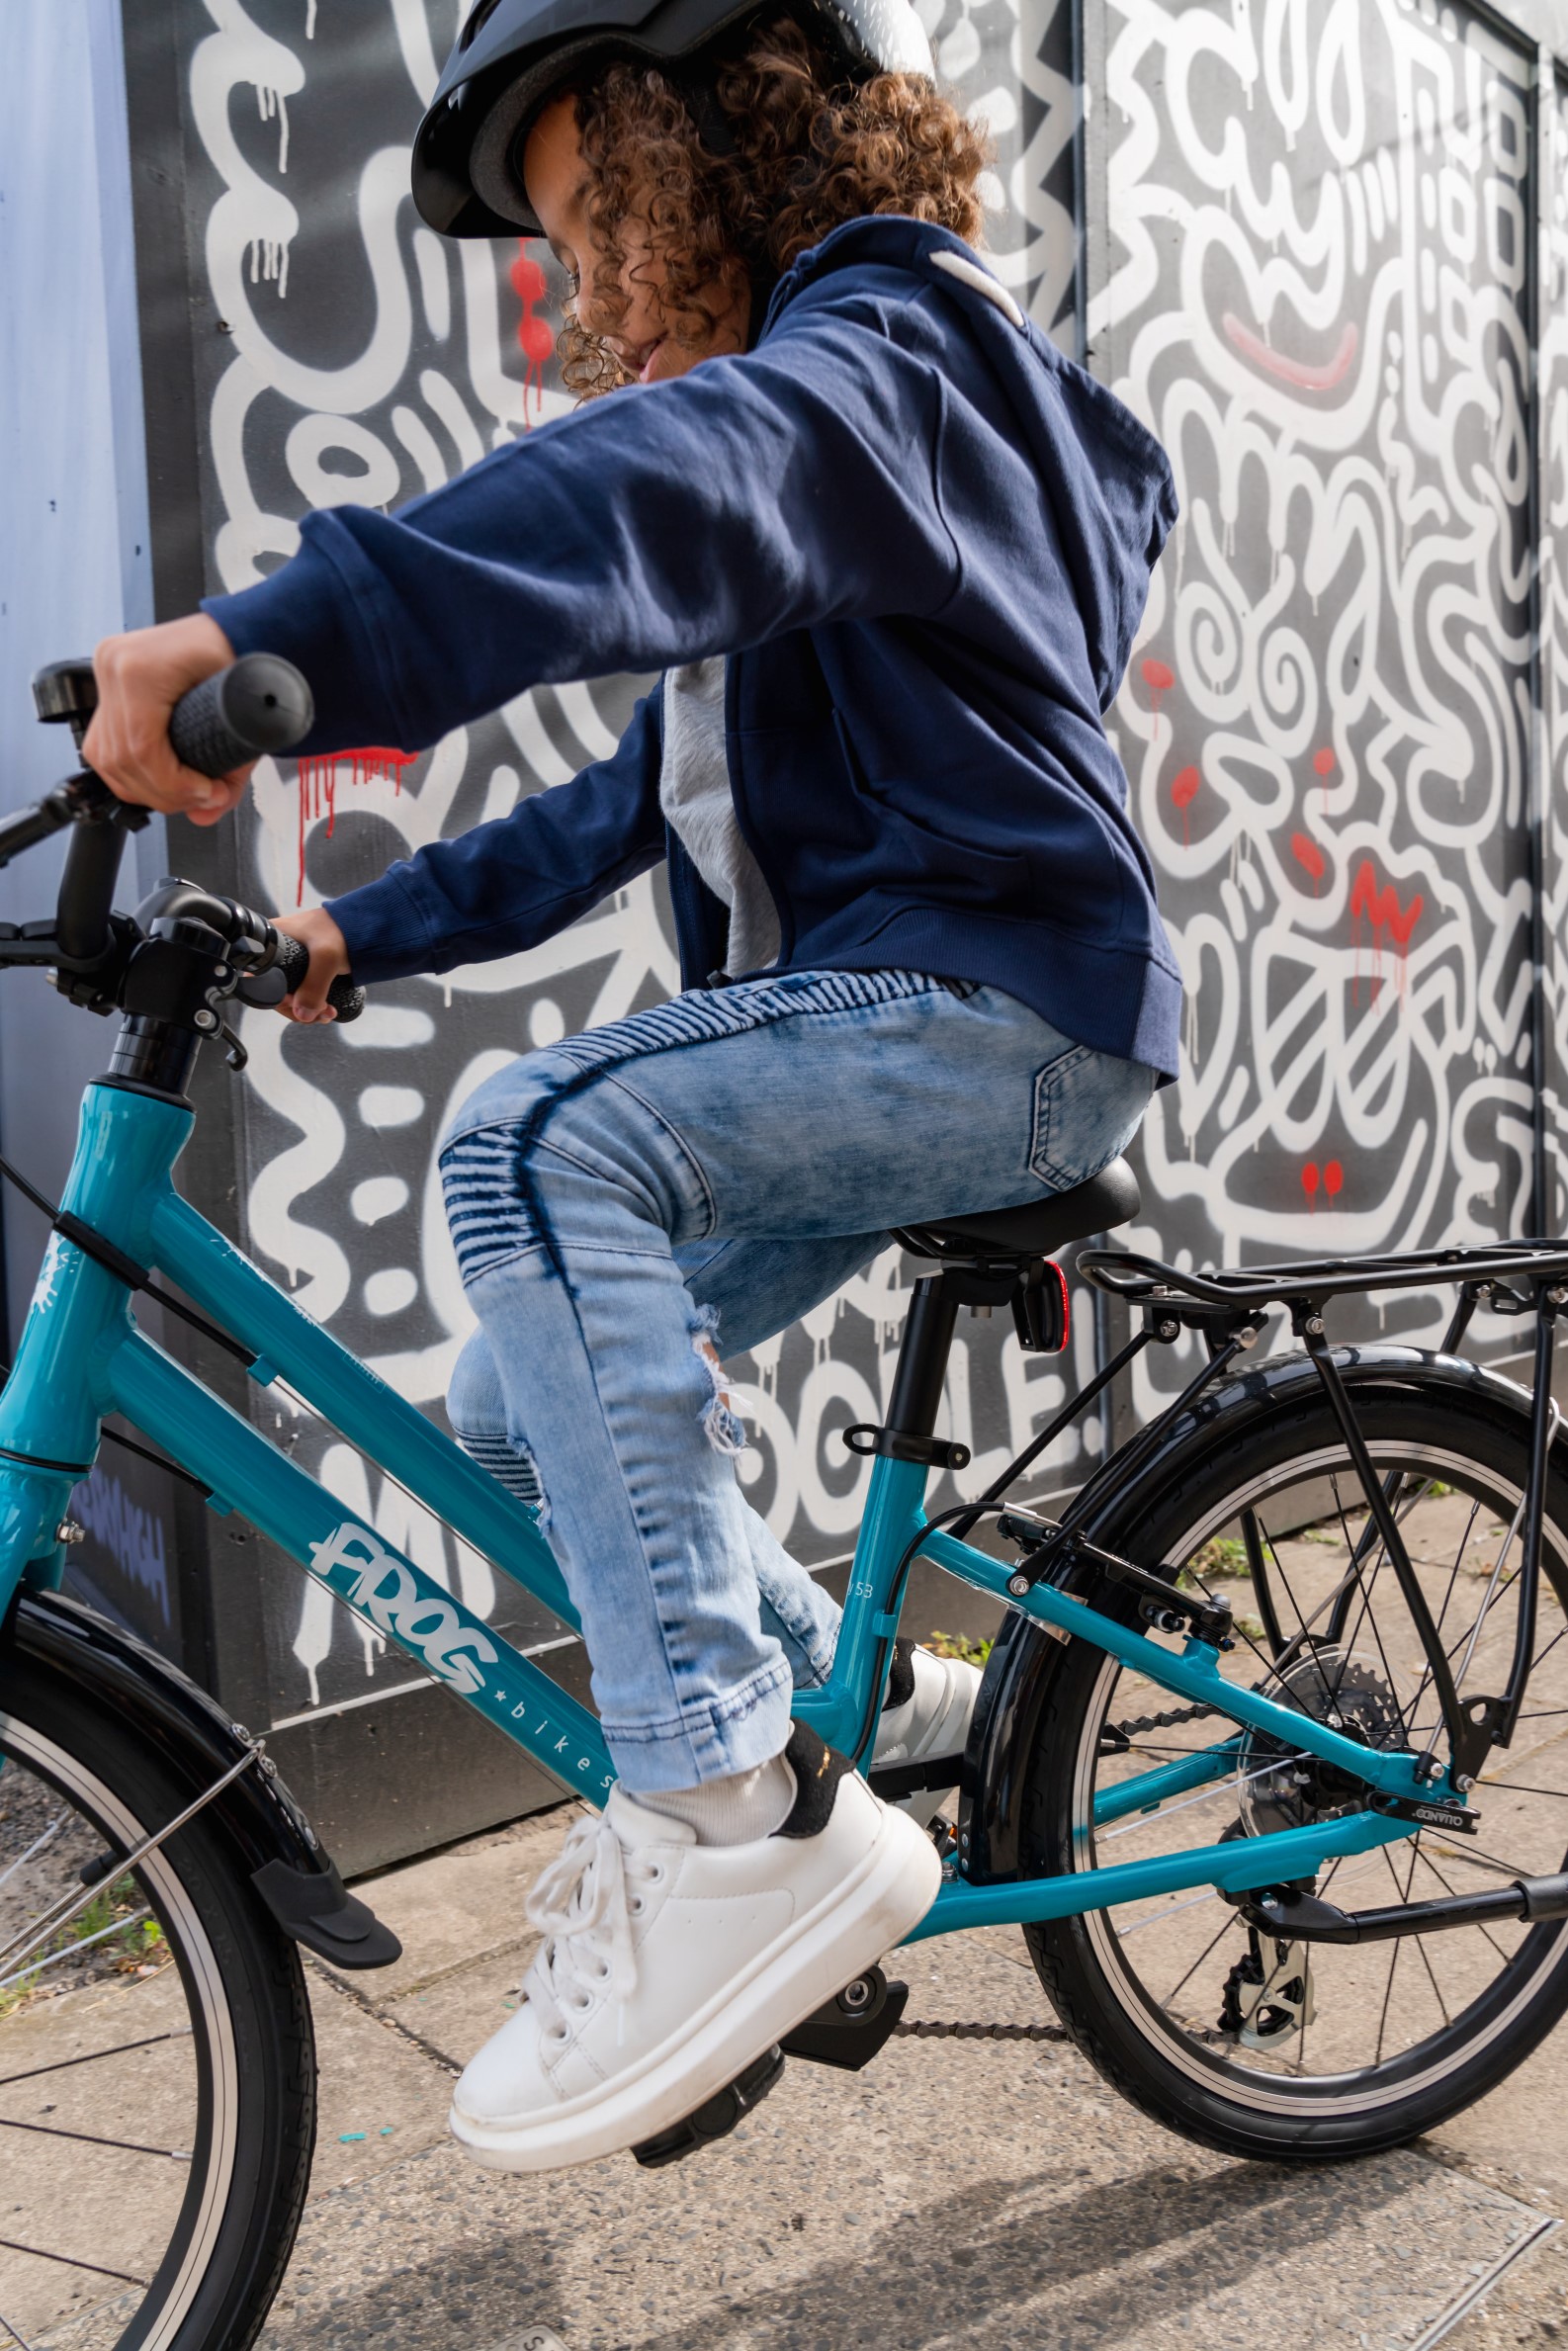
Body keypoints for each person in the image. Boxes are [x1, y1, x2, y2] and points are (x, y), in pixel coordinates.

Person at [83, 0, 1180, 2174]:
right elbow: (632, 811)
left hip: (995, 1013)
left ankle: (727, 1804)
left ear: (712, 148)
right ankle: (901, 1722)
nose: (578, 282)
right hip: (926, 1018)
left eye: (593, 216)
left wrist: (274, 632)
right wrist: (353, 935)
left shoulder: (890, 359)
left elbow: (670, 484)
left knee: (541, 1137)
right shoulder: (846, 436)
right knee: (515, 1389)